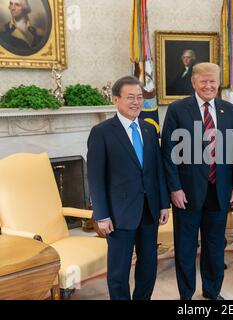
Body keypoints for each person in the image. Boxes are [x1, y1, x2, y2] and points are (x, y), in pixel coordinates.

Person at [161, 62, 233, 300]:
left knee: (215, 247)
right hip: (186, 193)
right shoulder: (178, 109)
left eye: (213, 81)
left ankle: (212, 290)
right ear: (194, 82)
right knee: (186, 248)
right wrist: (174, 188)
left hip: (219, 191)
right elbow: (168, 152)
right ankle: (186, 295)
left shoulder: (229, 110)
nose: (209, 85)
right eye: (204, 81)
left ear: (219, 83)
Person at [87, 76, 170, 300]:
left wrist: (164, 204)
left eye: (140, 97)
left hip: (149, 210)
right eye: (130, 97)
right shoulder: (101, 132)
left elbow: (157, 170)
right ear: (116, 99)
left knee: (149, 265)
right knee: (118, 271)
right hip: (118, 213)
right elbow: (95, 177)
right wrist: (102, 215)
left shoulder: (149, 129)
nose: (136, 102)